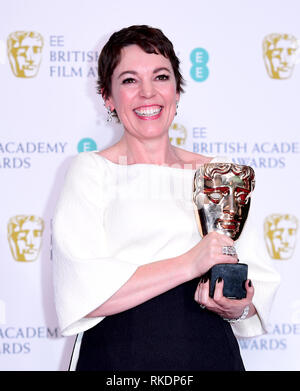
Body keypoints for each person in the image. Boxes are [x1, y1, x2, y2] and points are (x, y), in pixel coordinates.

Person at [52, 25, 280, 371]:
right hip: (116, 357)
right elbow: (81, 293)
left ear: (177, 90)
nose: (147, 93)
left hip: (210, 354)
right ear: (107, 97)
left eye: (160, 77)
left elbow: (253, 290)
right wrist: (191, 262)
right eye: (129, 80)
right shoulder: (90, 171)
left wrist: (240, 307)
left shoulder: (221, 176)